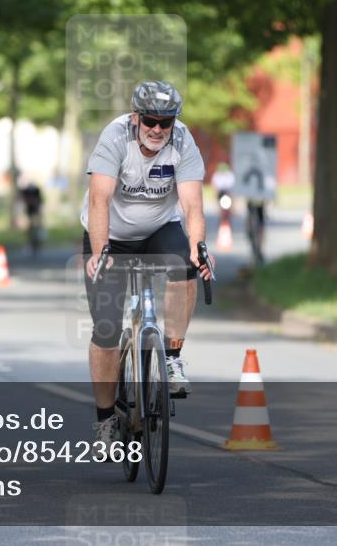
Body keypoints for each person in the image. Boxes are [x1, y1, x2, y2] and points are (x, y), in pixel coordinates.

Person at [81, 80, 213, 445]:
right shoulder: (115, 137)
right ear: (136, 117)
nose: (157, 129)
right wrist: (100, 251)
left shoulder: (183, 141)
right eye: (150, 121)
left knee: (185, 264)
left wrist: (199, 245)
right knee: (106, 329)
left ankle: (171, 356)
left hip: (159, 228)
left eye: (165, 122)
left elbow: (191, 205)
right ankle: (106, 421)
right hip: (112, 236)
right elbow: (99, 201)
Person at [19, 182, 44, 256]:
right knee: (28, 230)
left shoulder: (36, 194)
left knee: (36, 230)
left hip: (35, 214)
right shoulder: (26, 194)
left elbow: (38, 204)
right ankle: (30, 244)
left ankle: (37, 245)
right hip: (29, 214)